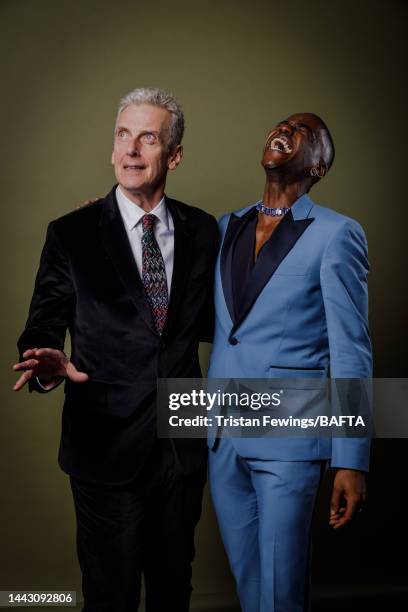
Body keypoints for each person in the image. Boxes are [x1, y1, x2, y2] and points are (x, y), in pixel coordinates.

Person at [13, 87, 219, 612]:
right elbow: (40, 327)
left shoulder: (203, 231)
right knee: (111, 593)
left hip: (182, 439)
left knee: (174, 586)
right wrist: (47, 363)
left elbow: (226, 325)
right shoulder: (71, 234)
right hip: (102, 444)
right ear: (112, 149)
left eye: (147, 138)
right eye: (122, 136)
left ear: (173, 155)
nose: (130, 150)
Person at [207, 113, 372, 612]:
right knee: (249, 584)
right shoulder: (223, 227)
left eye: (303, 131)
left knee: (280, 591)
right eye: (282, 124)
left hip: (290, 438)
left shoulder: (337, 234)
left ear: (318, 165)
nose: (285, 130)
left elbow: (351, 349)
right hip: (220, 436)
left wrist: (350, 458)